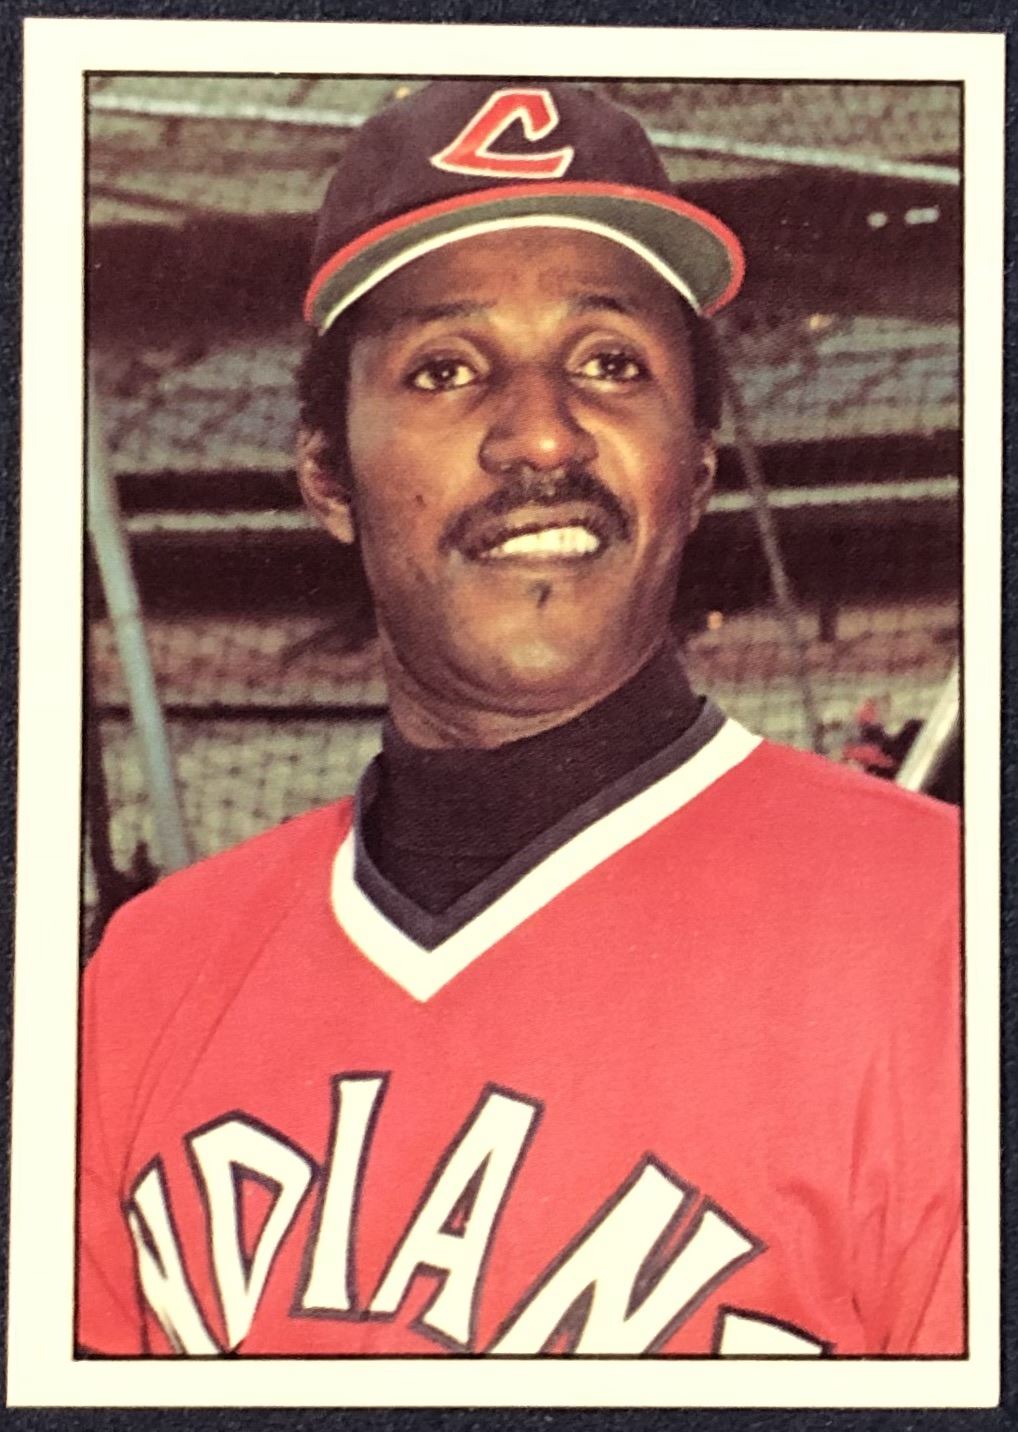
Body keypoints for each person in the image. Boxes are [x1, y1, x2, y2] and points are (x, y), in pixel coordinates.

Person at [78, 80, 961, 1359]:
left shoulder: (947, 938)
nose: (543, 436)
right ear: (327, 473)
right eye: (444, 369)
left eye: (610, 363)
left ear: (695, 466)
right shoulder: (145, 981)